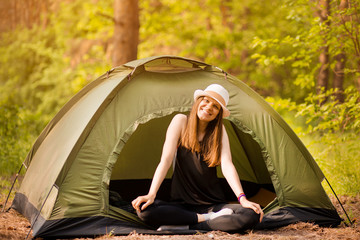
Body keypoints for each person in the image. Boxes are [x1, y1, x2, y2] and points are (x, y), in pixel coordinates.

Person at [131, 84, 263, 232]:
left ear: (218, 113)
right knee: (145, 211)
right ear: (198, 101)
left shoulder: (219, 131)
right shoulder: (180, 121)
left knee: (250, 214)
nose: (208, 107)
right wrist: (151, 194)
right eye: (206, 101)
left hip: (212, 205)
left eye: (215, 106)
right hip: (182, 204)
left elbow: (227, 165)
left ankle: (185, 225)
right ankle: (205, 220)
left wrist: (242, 199)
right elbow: (166, 160)